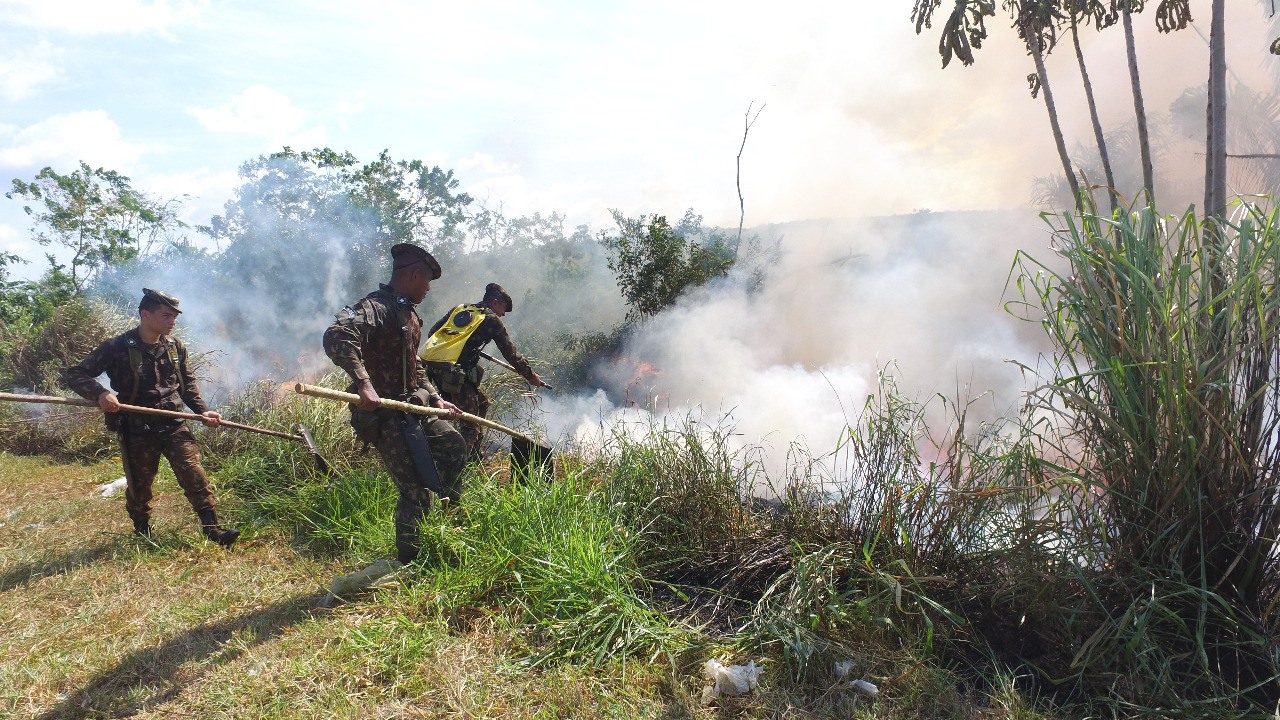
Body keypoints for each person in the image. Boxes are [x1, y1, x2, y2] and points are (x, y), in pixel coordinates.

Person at [322, 242, 467, 565]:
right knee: (414, 492)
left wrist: (437, 396)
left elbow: (413, 363)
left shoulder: (408, 313)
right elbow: (337, 335)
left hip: (415, 407)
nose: (429, 289)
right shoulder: (377, 308)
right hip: (386, 415)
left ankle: (452, 516)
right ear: (414, 274)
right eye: (427, 281)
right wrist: (364, 384)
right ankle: (411, 560)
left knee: (453, 445)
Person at [63, 288, 239, 546]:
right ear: (145, 314)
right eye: (166, 316)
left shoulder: (175, 347)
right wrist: (101, 394)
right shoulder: (117, 347)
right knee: (140, 486)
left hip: (173, 422)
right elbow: (75, 373)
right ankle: (142, 532)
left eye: (174, 317)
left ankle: (212, 529)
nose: (172, 322)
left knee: (194, 474)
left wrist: (202, 411)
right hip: (136, 427)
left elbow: (187, 386)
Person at [420, 282, 546, 459]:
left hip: (433, 368)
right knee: (470, 425)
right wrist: (530, 376)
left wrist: (466, 346)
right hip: (455, 374)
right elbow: (511, 353)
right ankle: (458, 468)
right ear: (494, 303)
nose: (503, 314)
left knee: (482, 403)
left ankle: (474, 454)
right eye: (503, 309)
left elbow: (433, 333)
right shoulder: (492, 319)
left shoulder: (461, 308)